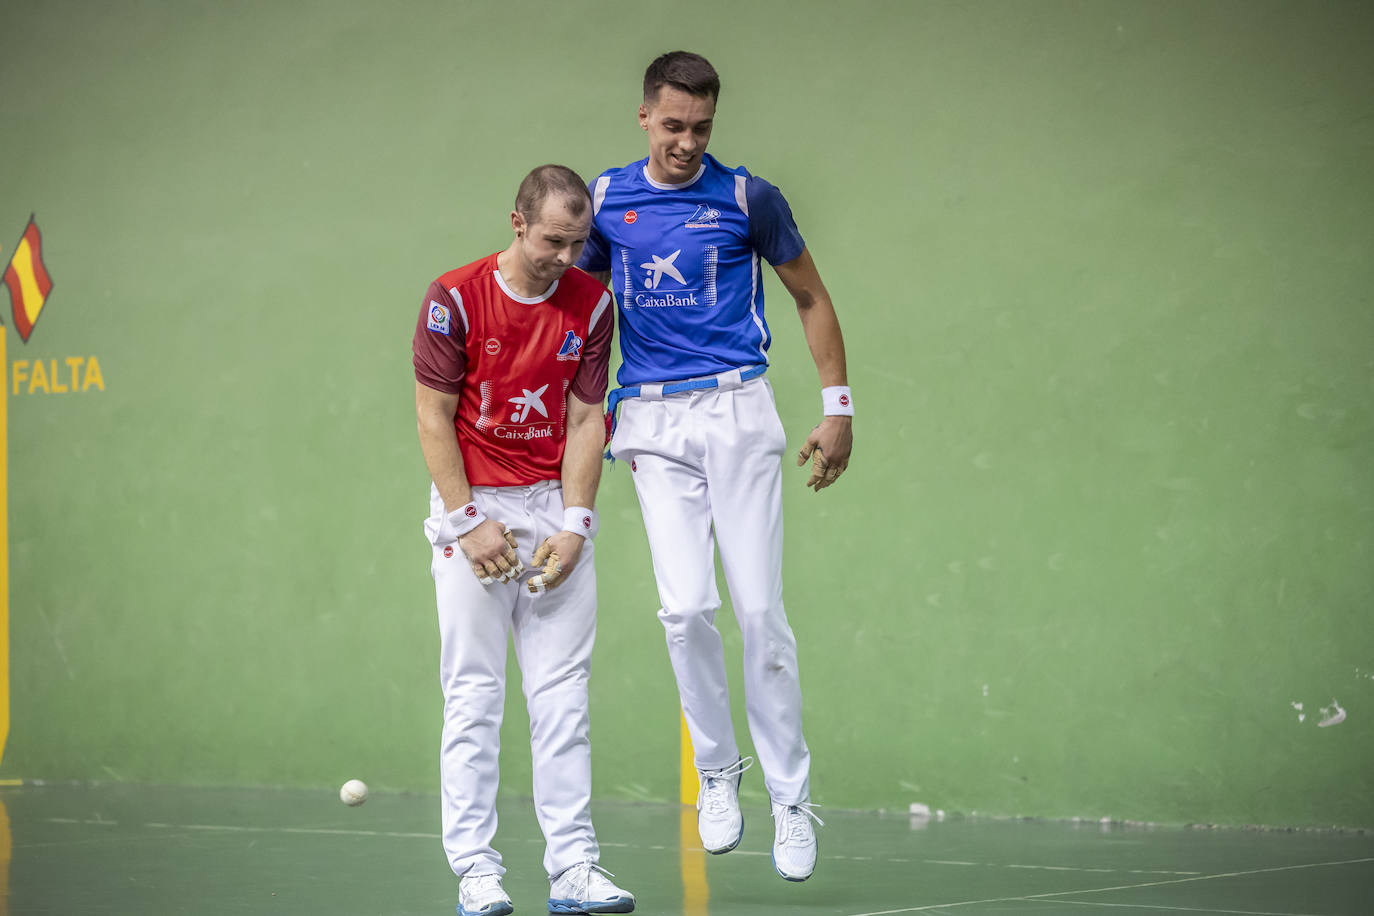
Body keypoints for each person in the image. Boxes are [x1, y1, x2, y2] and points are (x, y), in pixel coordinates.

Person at [575, 52, 853, 883]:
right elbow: (583, 315)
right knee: (685, 608)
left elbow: (811, 296)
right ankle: (719, 770)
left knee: (761, 612)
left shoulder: (747, 199)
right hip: (652, 417)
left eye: (701, 128)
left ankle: (791, 797)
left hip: (739, 410)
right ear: (643, 117)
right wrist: (587, 422)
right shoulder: (605, 202)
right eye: (672, 126)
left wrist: (838, 407)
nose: (686, 143)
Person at [414, 164, 635, 916]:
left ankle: (574, 867)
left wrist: (577, 525)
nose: (565, 259)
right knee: (474, 697)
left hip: (552, 513)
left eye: (578, 244)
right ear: (517, 222)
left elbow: (585, 420)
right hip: (474, 510)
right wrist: (466, 521)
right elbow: (433, 417)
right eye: (552, 241)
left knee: (562, 700)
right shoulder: (455, 299)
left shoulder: (593, 305)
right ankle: (476, 871)